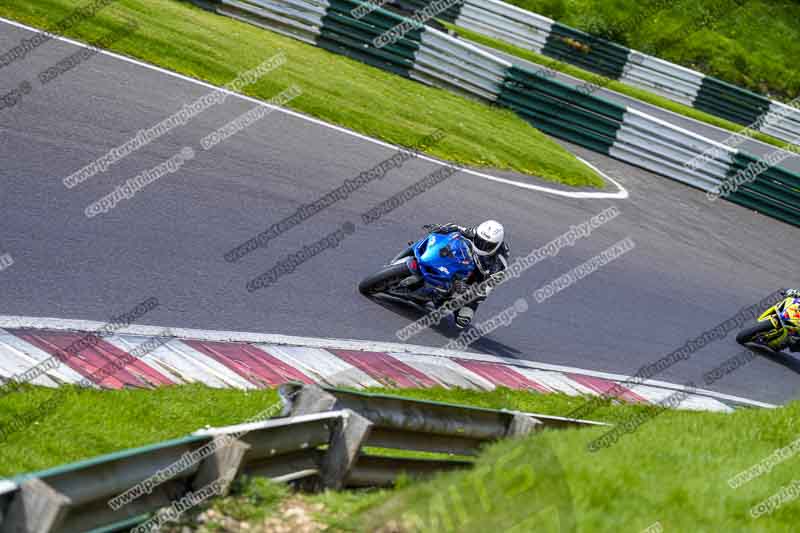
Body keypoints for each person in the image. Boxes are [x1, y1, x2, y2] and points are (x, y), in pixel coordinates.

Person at [423, 220, 509, 329]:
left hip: (478, 276)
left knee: (462, 321)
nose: (482, 246)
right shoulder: (476, 233)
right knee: (450, 244)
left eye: (487, 245)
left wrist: (467, 290)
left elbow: (485, 290)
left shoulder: (499, 264)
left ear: (496, 246)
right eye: (480, 241)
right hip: (466, 256)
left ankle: (445, 297)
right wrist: (440, 228)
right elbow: (457, 228)